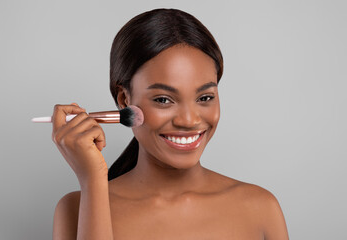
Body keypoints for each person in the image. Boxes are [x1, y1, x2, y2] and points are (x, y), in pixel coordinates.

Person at [51, 8, 289, 240]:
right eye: (163, 100)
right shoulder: (76, 208)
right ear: (125, 100)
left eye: (204, 98)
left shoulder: (260, 207)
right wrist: (93, 181)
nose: (189, 120)